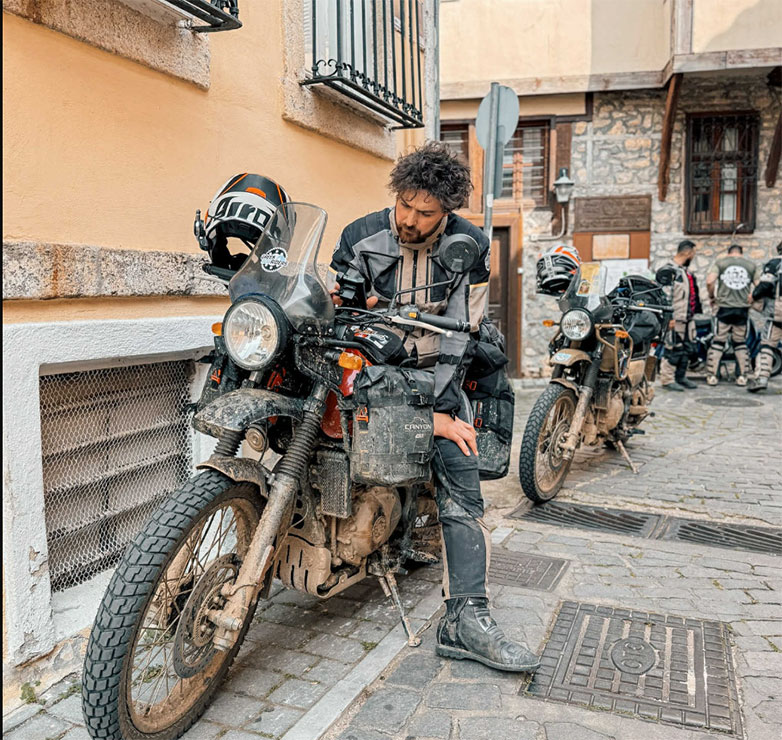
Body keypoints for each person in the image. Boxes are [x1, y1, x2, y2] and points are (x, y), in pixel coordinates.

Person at [330, 142, 540, 673]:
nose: (410, 220)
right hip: (372, 374)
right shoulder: (358, 235)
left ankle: (465, 618)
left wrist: (437, 416)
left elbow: (462, 336)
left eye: (426, 213)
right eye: (405, 204)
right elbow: (342, 318)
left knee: (459, 463)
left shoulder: (471, 245)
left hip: (434, 377)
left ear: (447, 211)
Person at [705, 245, 760, 386]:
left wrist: (712, 296)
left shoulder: (720, 263)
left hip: (724, 308)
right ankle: (742, 376)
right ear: (741, 252)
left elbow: (710, 281)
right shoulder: (751, 265)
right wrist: (753, 297)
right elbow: (759, 285)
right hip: (742, 309)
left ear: (728, 252)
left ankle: (712, 376)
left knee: (718, 342)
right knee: (740, 343)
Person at [656, 240, 699, 391]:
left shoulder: (684, 271)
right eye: (693, 253)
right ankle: (667, 379)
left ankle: (680, 377)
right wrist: (668, 318)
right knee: (672, 348)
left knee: (687, 349)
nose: (693, 257)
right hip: (675, 319)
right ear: (687, 253)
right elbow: (665, 297)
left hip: (687, 318)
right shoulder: (669, 271)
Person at [748, 241, 782, 393]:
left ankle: (761, 379)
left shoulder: (775, 264)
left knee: (767, 344)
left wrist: (754, 296)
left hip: (778, 312)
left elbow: (765, 285)